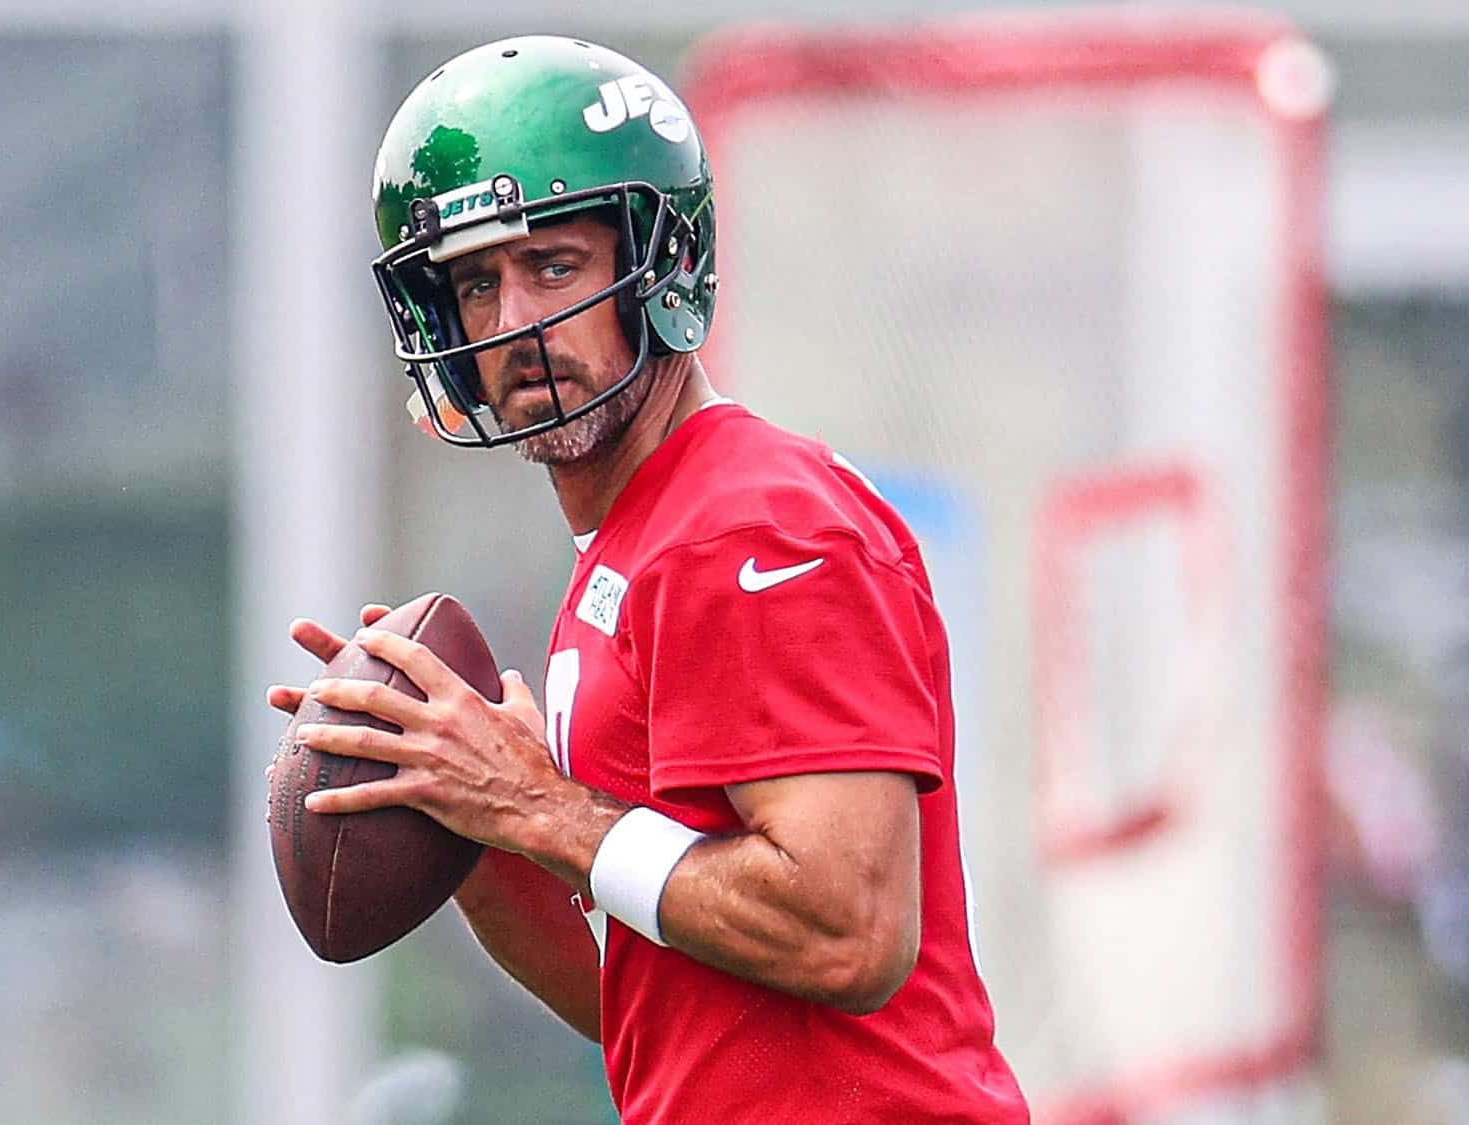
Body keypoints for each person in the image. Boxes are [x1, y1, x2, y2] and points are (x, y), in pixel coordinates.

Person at [265, 35, 1027, 1122]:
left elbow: (848, 931)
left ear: (660, 264)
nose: (515, 322)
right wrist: (466, 812)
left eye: (554, 267)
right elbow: (638, 1000)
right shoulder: (635, 543)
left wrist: (539, 804)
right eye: (476, 284)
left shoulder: (749, 523)